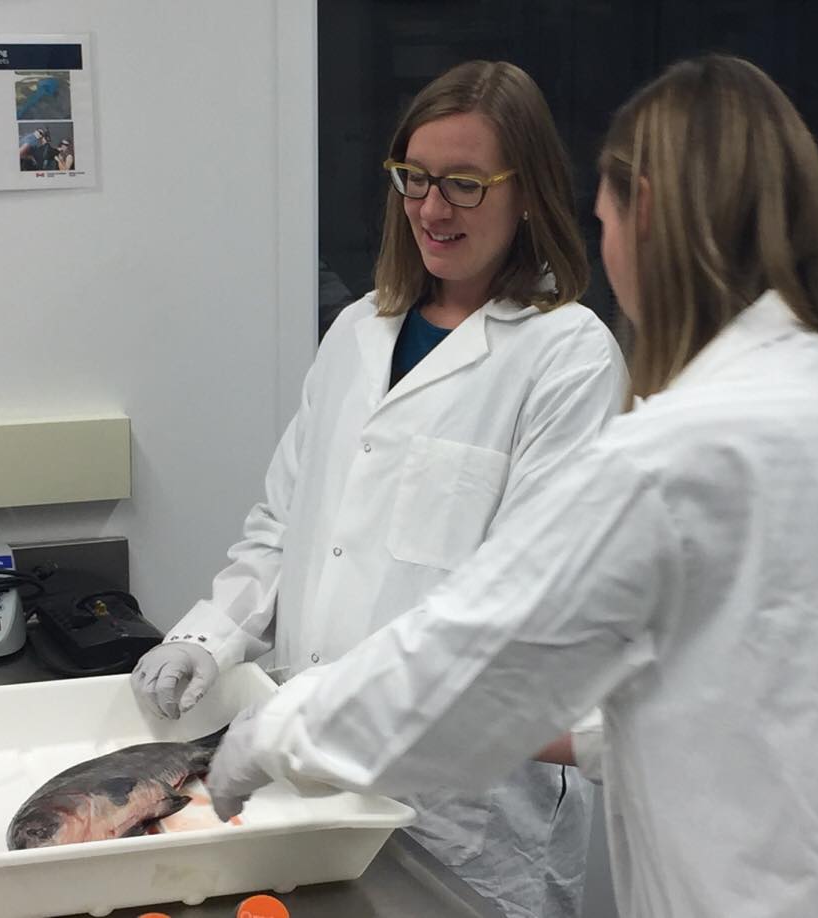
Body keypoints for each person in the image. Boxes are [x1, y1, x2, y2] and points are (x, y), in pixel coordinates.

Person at [202, 54, 818, 918]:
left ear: (645, 213)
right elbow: (752, 691)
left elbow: (495, 647)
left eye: (606, 221)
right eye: (415, 180)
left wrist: (283, 731)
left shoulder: (681, 449)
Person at [132, 60, 628, 918]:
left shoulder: (567, 358)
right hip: (312, 789)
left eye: (465, 184)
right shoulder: (358, 332)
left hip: (466, 813)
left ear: (528, 194)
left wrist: (333, 713)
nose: (432, 209)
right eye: (416, 178)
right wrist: (209, 638)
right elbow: (284, 526)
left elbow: (522, 609)